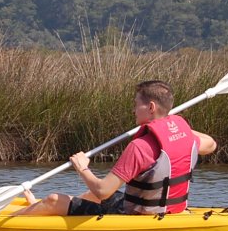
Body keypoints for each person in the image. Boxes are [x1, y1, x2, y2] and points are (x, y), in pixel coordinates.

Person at [13, 79, 216, 217]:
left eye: (137, 104)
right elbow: (211, 144)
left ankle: (5, 221)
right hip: (172, 211)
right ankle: (33, 206)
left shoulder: (141, 147)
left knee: (53, 199)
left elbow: (103, 190)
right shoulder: (185, 136)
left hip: (136, 216)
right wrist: (171, 126)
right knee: (89, 195)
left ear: (151, 107)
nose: (133, 109)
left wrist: (82, 167)